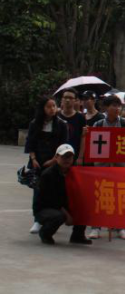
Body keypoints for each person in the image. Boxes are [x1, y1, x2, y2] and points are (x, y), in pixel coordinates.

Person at [86, 96, 125, 240]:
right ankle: (96, 227)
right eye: (113, 105)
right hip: (102, 167)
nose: (117, 108)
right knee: (100, 196)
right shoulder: (98, 124)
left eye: (119, 106)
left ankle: (121, 227)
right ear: (106, 107)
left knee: (120, 197)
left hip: (120, 167)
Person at [25, 96, 69, 235]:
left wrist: (54, 160)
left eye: (54, 106)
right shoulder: (35, 123)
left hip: (54, 162)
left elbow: (63, 145)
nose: (52, 109)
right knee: (38, 191)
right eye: (48, 106)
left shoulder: (61, 124)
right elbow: (30, 143)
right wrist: (33, 159)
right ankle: (37, 220)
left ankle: (52, 218)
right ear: (42, 108)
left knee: (53, 191)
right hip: (38, 162)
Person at [33, 144, 92, 245]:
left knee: (85, 208)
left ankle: (77, 236)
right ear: (56, 157)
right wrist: (67, 214)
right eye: (64, 157)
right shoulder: (48, 174)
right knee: (58, 216)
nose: (67, 160)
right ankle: (45, 233)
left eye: (69, 157)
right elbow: (50, 200)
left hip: (64, 205)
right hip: (45, 208)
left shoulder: (74, 173)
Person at [57, 88, 86, 160]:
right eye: (65, 97)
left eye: (70, 98)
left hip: (74, 155)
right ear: (62, 99)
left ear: (75, 100)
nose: (67, 100)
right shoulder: (56, 116)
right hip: (58, 155)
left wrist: (80, 157)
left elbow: (83, 138)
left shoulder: (81, 118)